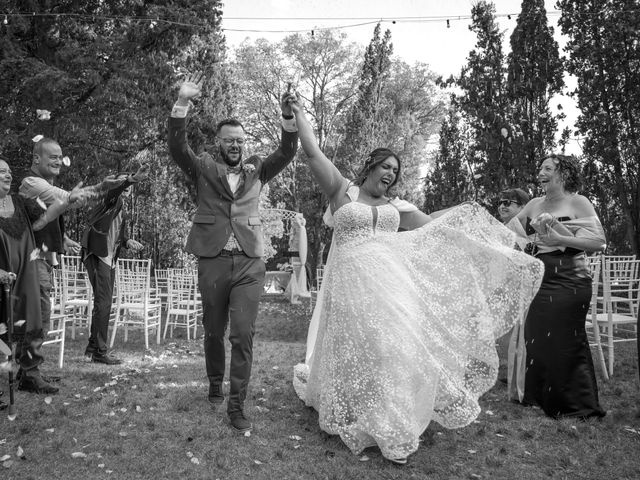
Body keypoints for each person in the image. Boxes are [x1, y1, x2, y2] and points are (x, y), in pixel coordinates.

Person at [289, 99, 544, 464]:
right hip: (349, 285)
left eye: (396, 169)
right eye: (386, 167)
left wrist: (488, 233)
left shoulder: (399, 208)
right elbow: (312, 151)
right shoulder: (342, 191)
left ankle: (394, 425)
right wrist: (296, 115)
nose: (391, 173)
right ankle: (358, 405)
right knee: (359, 347)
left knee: (394, 347)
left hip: (393, 286)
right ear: (370, 167)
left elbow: (438, 229)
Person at [167, 74, 299, 433]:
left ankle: (237, 406)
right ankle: (214, 381)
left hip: (250, 261)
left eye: (240, 140)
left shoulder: (259, 170)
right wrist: (182, 103)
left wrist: (288, 118)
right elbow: (178, 148)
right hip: (212, 259)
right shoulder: (204, 167)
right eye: (229, 140)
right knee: (213, 329)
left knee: (243, 333)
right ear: (218, 143)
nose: (236, 145)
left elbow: (287, 151)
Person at [19, 137, 124, 392]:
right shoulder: (32, 183)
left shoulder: (42, 184)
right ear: (36, 159)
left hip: (43, 261)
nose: (57, 161)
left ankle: (28, 372)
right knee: (38, 317)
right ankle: (28, 374)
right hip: (32, 263)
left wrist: (62, 239)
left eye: (59, 157)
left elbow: (43, 217)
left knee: (40, 316)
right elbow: (70, 199)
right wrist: (102, 187)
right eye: (52, 157)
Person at [508, 154, 607, 419]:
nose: (540, 171)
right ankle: (541, 397)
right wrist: (526, 245)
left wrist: (559, 236)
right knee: (537, 337)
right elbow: (511, 232)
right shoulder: (534, 203)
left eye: (547, 168)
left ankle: (575, 404)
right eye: (540, 167)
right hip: (541, 276)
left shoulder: (578, 201)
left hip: (571, 277)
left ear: (563, 174)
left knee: (566, 339)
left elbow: (598, 243)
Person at [0, 158, 82, 394]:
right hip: (3, 278)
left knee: (35, 321)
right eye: (1, 172)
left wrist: (68, 200)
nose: (7, 175)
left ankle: (29, 374)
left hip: (25, 275)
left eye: (8, 171)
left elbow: (45, 217)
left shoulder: (19, 202)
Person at [81, 163, 149, 365]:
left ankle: (93, 347)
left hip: (109, 258)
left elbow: (116, 231)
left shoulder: (120, 207)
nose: (126, 187)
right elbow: (114, 191)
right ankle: (100, 352)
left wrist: (127, 241)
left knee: (103, 303)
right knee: (104, 303)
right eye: (123, 182)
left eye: (128, 183)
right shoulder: (110, 198)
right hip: (98, 255)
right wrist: (130, 179)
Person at [493, 188, 530, 399]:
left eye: (510, 202)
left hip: (525, 292)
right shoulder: (503, 229)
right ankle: (516, 372)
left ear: (523, 208)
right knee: (507, 335)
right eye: (501, 201)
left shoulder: (526, 231)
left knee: (518, 334)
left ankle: (523, 376)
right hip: (507, 290)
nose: (503, 205)